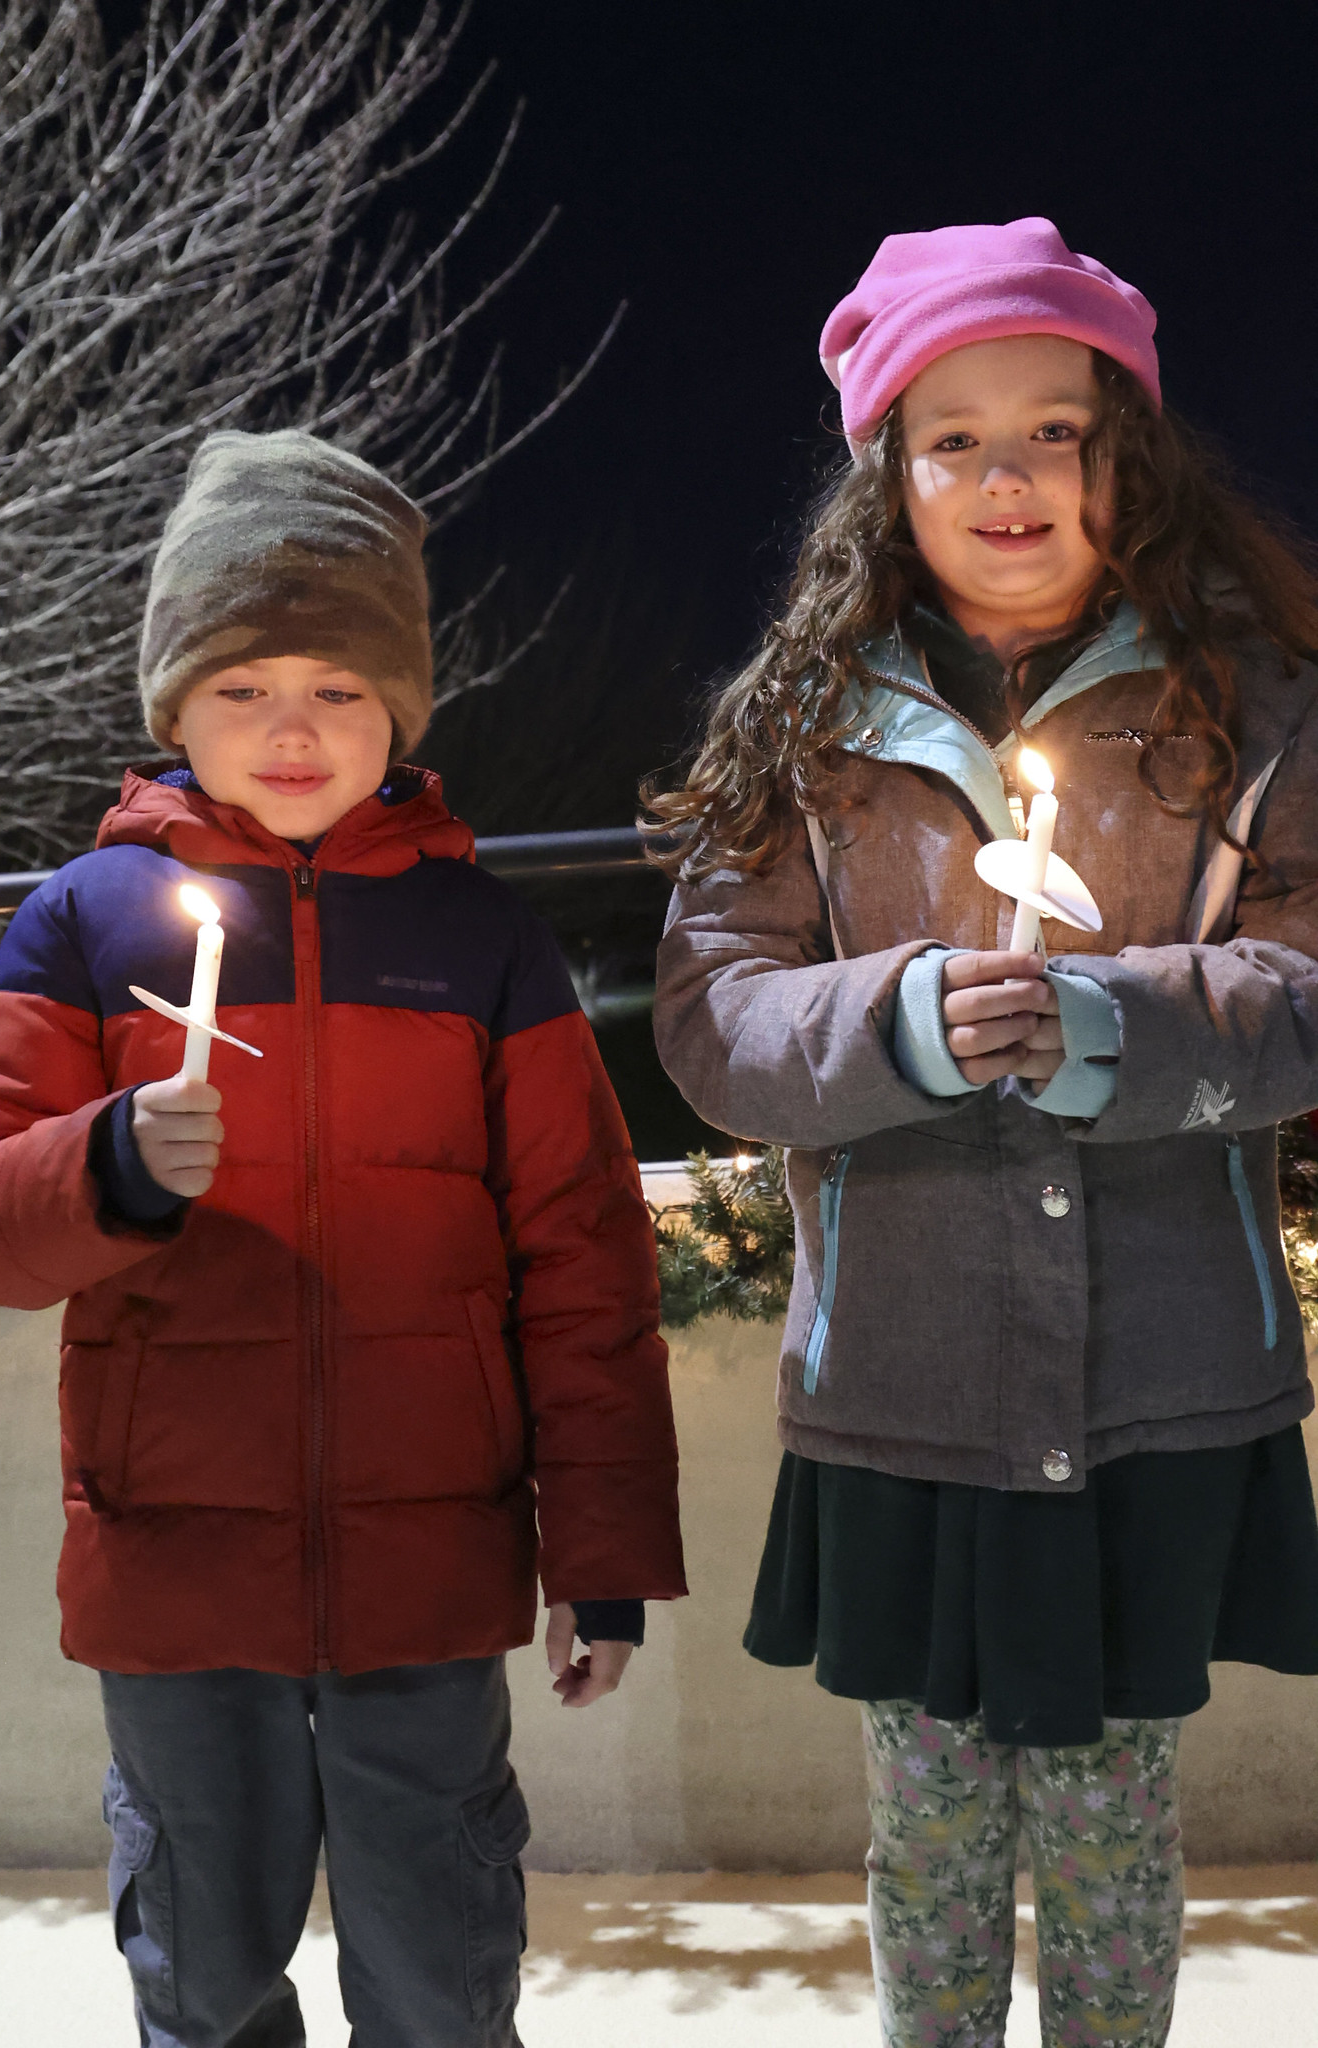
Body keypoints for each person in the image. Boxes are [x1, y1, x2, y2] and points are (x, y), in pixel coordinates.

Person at [647, 217, 1318, 2046]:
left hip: (1156, 1376)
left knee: (1111, 1819)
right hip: (908, 1382)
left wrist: (1119, 1026)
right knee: (928, 1823)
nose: (1006, 475)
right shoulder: (799, 730)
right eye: (954, 437)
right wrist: (901, 1024)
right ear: (887, 474)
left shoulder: (1252, 706)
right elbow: (713, 1017)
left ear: (1132, 458)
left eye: (1055, 429)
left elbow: (1304, 990)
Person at [0, 429, 686, 2048]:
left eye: (338, 689)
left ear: (402, 709)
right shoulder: (81, 921)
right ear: (174, 706)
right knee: (205, 1975)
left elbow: (579, 1254)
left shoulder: (479, 939)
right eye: (244, 686)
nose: (291, 729)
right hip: (173, 1566)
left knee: (439, 1971)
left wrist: (607, 1556)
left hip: (425, 1567)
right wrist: (112, 1164)